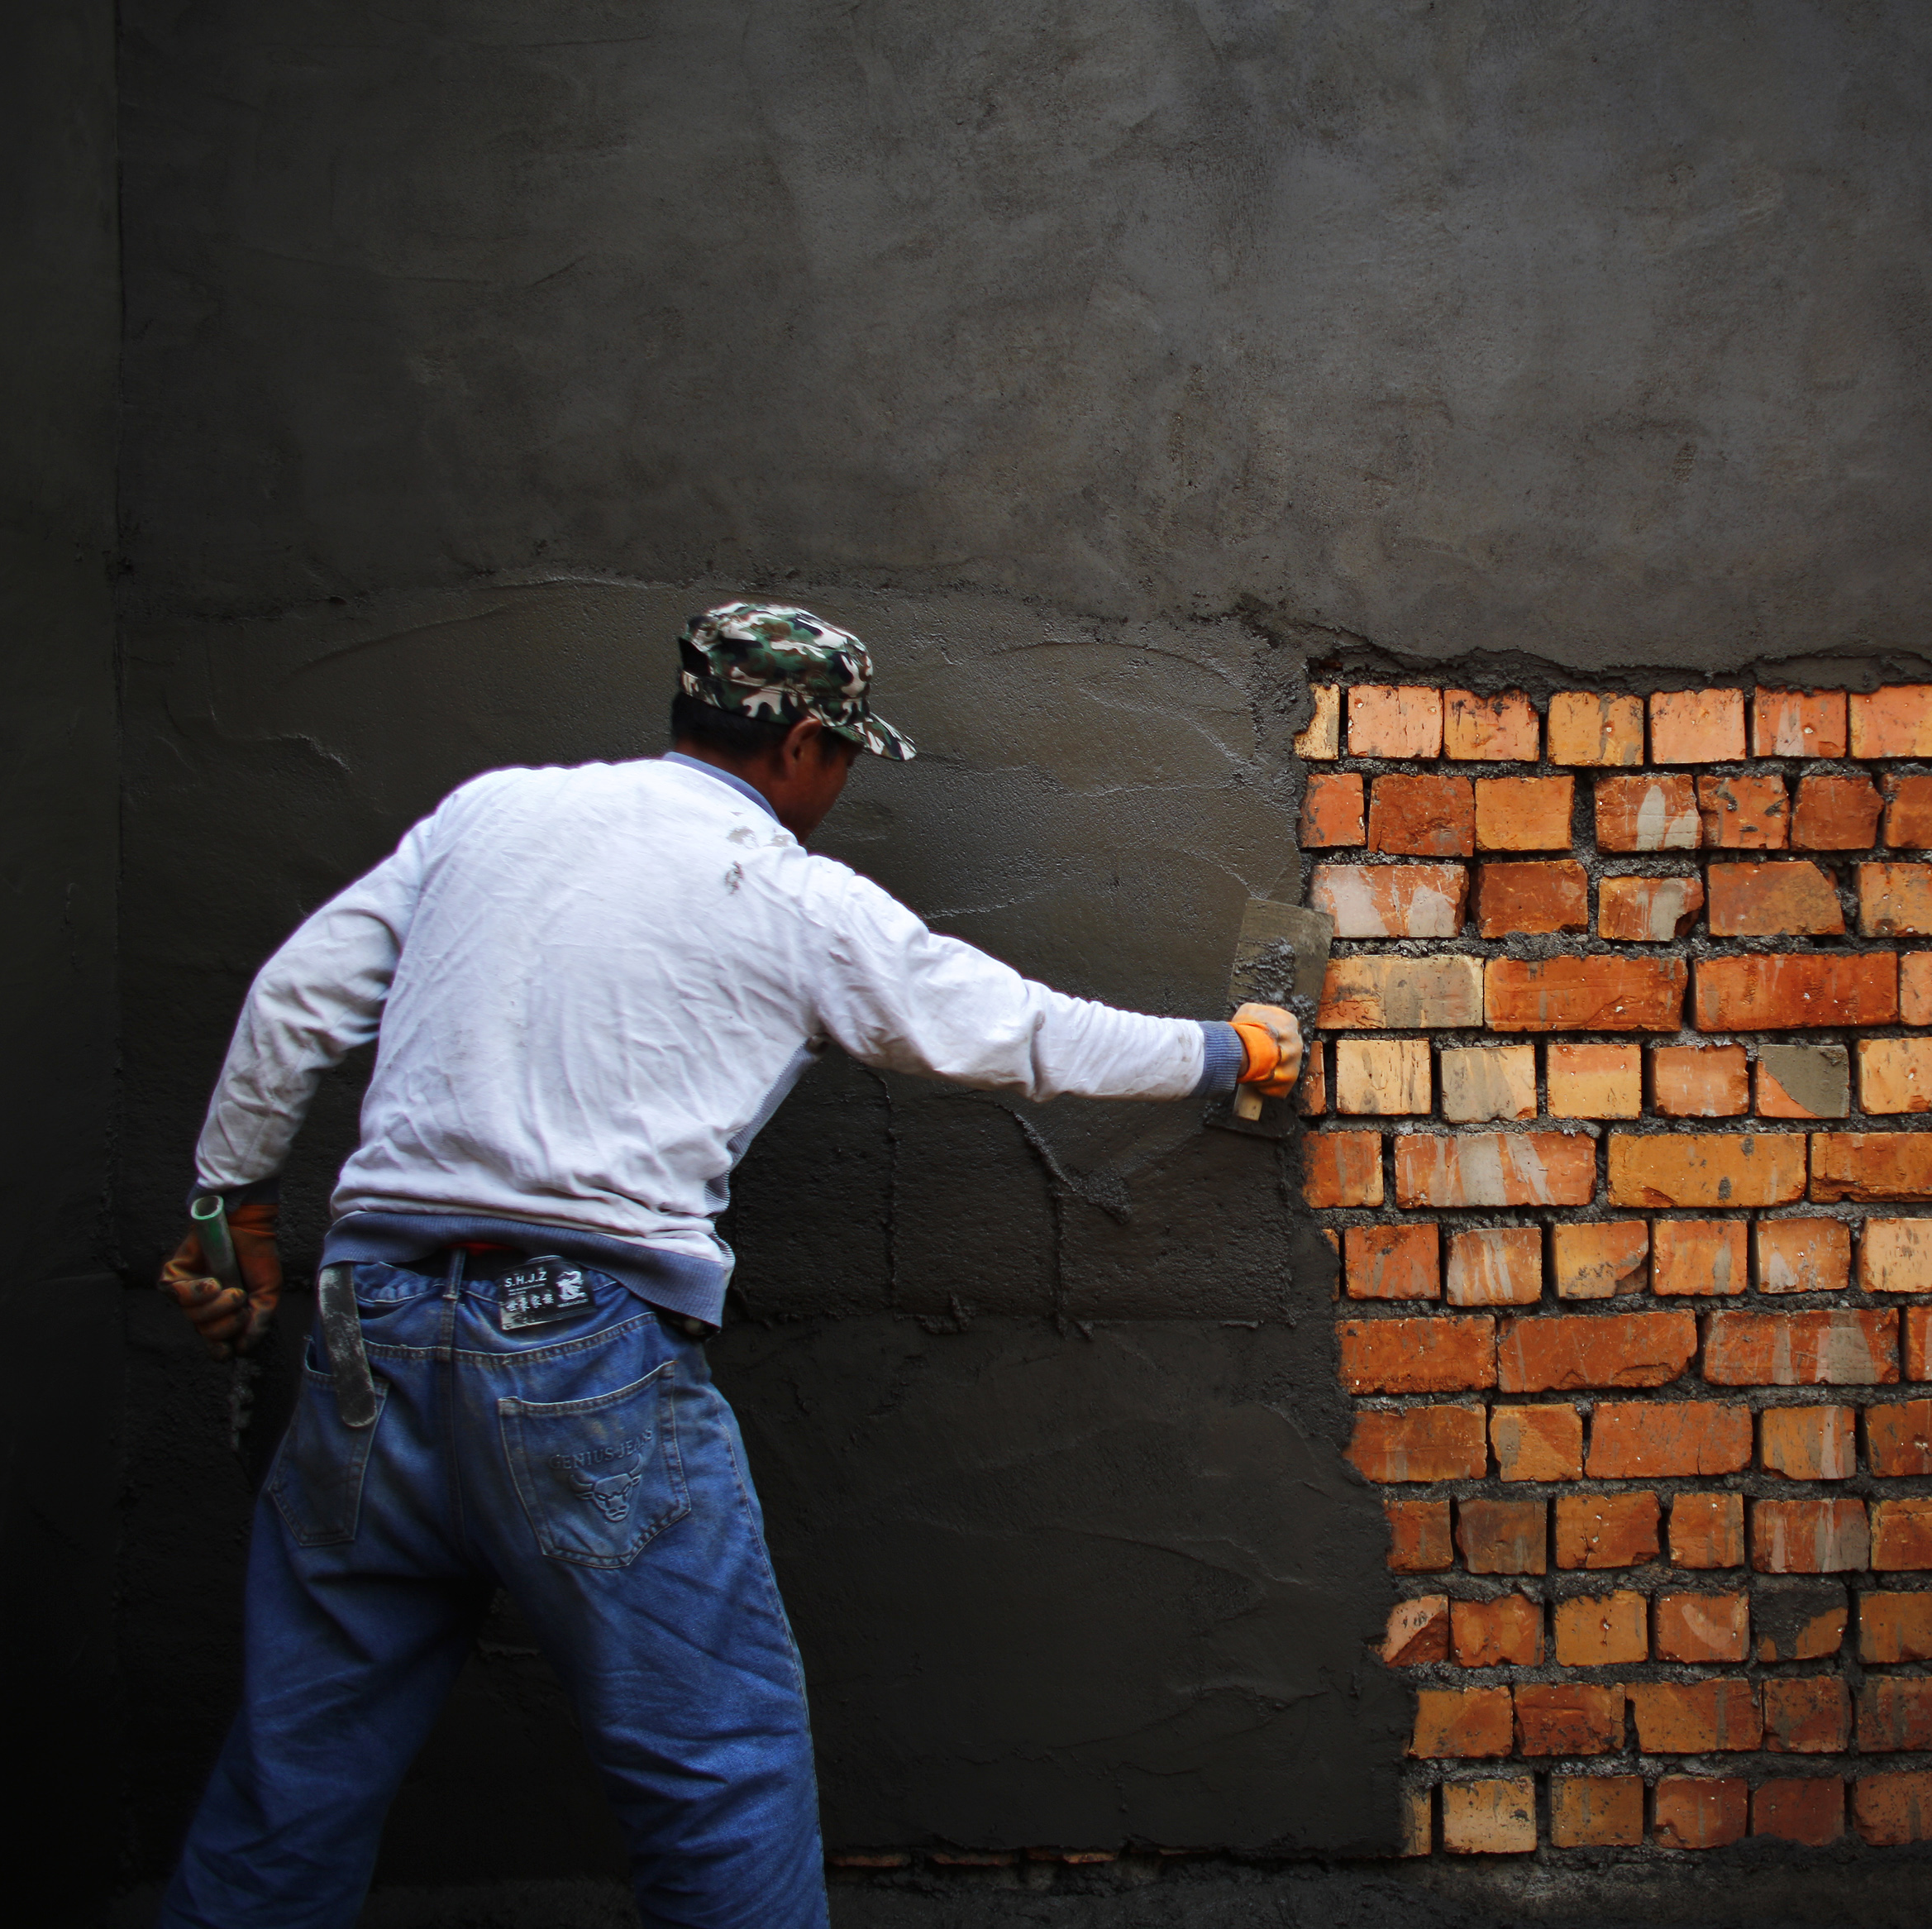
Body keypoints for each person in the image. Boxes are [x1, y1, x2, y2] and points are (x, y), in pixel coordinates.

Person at [152, 603, 1301, 1929]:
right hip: (579, 1355)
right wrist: (1233, 1051)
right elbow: (1015, 1033)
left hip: (372, 1338)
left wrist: (228, 1200)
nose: (841, 784)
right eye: (846, 756)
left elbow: (294, 999)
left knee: (292, 1782)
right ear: (804, 743)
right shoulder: (786, 892)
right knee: (717, 1775)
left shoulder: (489, 815)